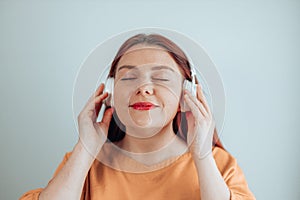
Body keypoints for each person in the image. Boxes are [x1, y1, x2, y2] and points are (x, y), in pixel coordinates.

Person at [20, 34, 255, 200]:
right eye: (129, 77)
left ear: (187, 94)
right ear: (110, 93)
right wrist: (86, 147)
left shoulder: (219, 164)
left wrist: (201, 156)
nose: (143, 88)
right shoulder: (84, 163)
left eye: (161, 78)